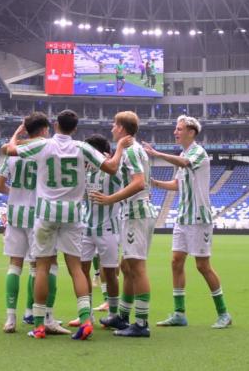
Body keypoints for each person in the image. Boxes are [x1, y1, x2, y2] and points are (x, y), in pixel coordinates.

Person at [3, 109, 131, 340]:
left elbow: (10, 150)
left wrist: (17, 134)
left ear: (55, 124)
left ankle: (39, 324)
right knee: (75, 268)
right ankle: (85, 320)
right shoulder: (83, 148)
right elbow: (111, 168)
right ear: (75, 128)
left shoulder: (44, 145)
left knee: (41, 267)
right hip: (73, 215)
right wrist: (120, 146)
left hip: (46, 213)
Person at [143, 115, 232, 329]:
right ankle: (179, 313)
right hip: (183, 216)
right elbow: (177, 184)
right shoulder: (184, 154)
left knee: (202, 266)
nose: (175, 132)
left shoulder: (197, 153)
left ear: (191, 132)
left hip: (199, 217)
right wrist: (153, 183)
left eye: (179, 128)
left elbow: (184, 163)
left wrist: (155, 154)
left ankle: (224, 313)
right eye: (176, 128)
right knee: (176, 262)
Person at [0, 112, 69, 335]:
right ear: (46, 129)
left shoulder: (13, 153)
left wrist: (15, 193)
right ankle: (42, 314)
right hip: (39, 214)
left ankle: (10, 318)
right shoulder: (45, 150)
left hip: (15, 213)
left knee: (14, 266)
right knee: (45, 266)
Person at [91, 111, 156, 338]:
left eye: (114, 124)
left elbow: (138, 183)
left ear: (121, 128)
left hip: (136, 212)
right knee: (127, 268)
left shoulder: (131, 150)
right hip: (135, 212)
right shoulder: (130, 150)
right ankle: (124, 316)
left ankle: (141, 323)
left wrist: (111, 199)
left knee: (136, 268)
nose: (111, 128)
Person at [70, 134, 123, 326]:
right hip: (86, 227)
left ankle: (114, 313)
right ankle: (87, 314)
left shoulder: (113, 171)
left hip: (108, 227)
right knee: (81, 269)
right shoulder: (86, 172)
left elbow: (127, 185)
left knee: (109, 273)